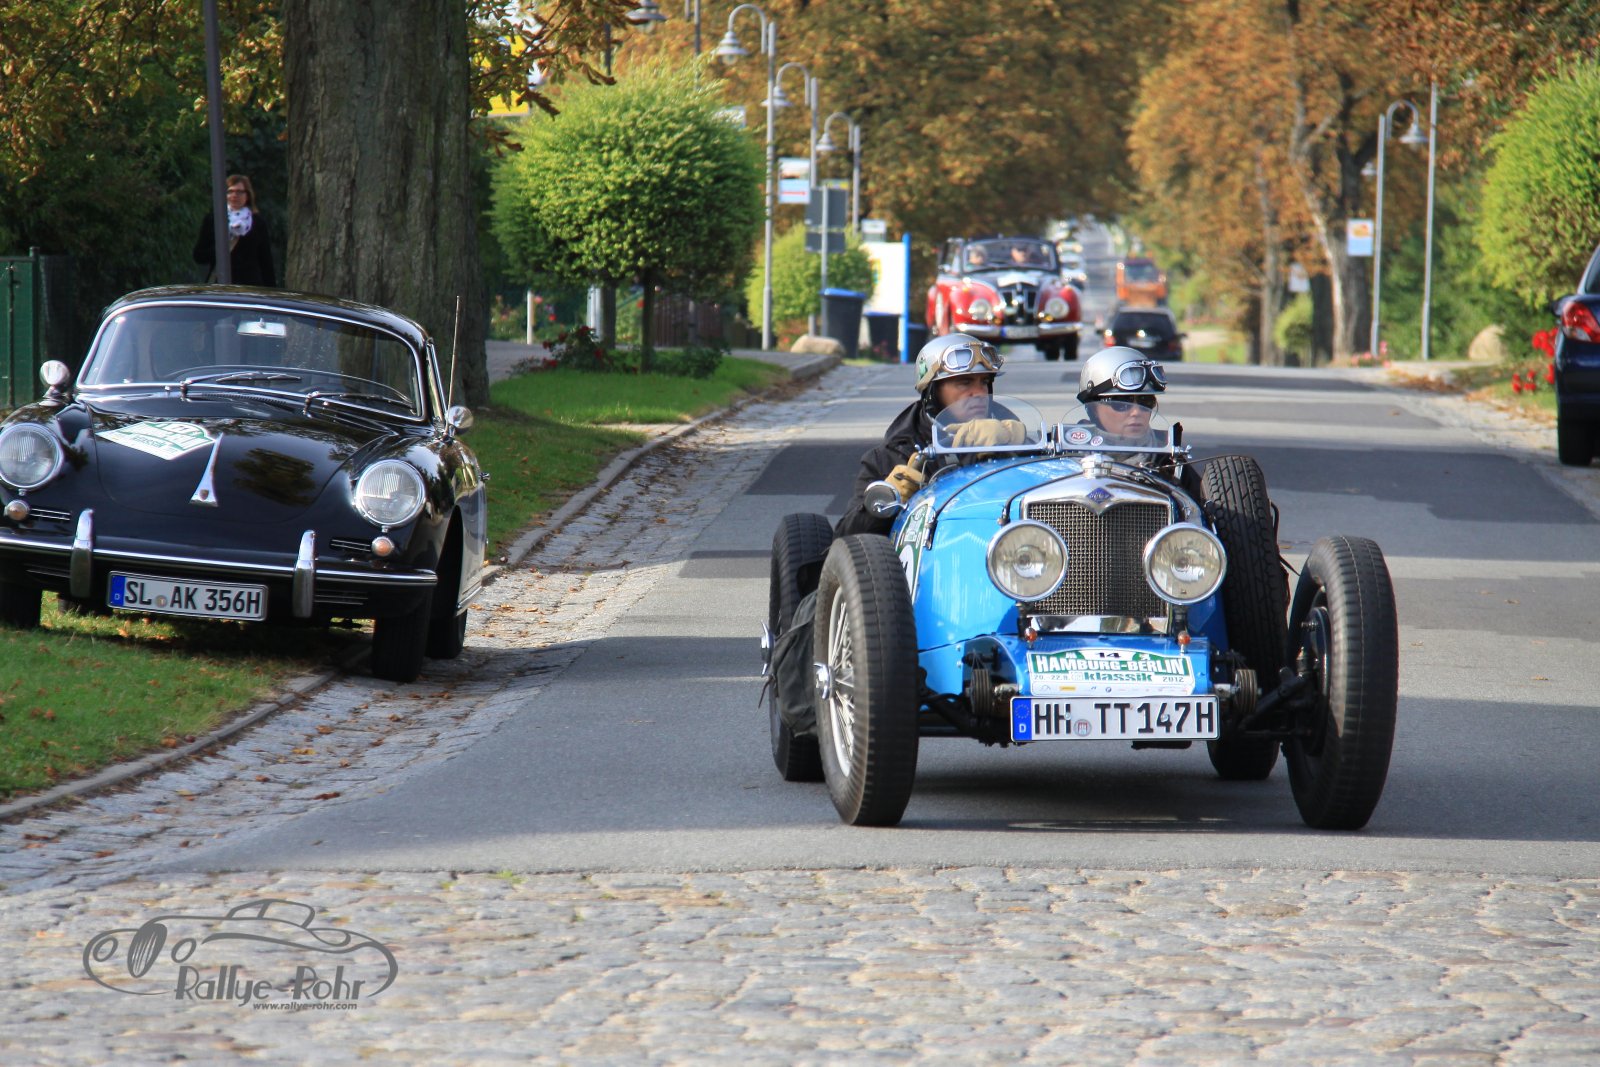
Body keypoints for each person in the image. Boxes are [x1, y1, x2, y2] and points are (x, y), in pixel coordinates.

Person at [834, 332, 1006, 538]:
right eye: (964, 382)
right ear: (932, 392)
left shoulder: (1010, 437)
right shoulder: (891, 455)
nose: (979, 393)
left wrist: (1015, 446)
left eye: (984, 381)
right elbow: (845, 538)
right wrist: (885, 499)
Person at [193, 174, 277, 286]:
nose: (234, 195)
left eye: (239, 192)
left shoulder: (257, 222)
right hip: (221, 285)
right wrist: (220, 250)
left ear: (247, 195)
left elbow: (266, 261)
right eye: (230, 191)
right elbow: (199, 255)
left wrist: (270, 289)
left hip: (250, 286)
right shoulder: (214, 219)